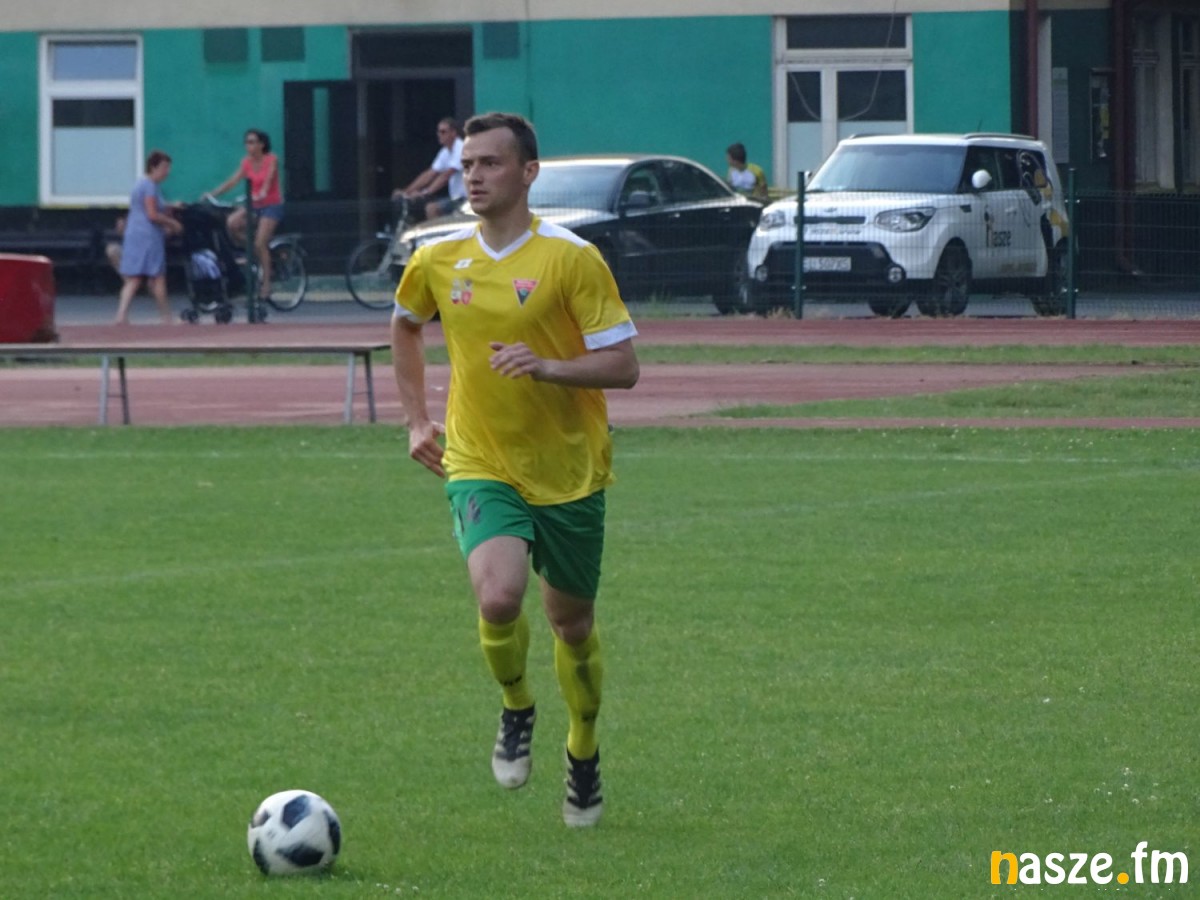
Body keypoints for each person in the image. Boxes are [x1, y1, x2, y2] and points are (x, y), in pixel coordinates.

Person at [390, 112, 639, 828]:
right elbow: (405, 326)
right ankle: (516, 706)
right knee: (498, 598)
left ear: (528, 173)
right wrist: (416, 420)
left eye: (490, 163)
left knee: (571, 624)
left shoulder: (571, 259)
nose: (473, 175)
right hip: (479, 459)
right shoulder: (437, 258)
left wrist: (548, 366)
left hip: (569, 469)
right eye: (468, 164)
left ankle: (583, 746)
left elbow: (624, 366)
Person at [208, 128, 283, 300]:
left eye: (252, 142)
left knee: (260, 242)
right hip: (253, 204)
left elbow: (269, 178)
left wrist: (263, 192)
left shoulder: (271, 159)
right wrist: (213, 194)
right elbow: (232, 181)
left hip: (271, 205)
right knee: (231, 223)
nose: (248, 146)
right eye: (247, 143)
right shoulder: (246, 163)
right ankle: (257, 253)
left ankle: (266, 284)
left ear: (261, 144)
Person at [114, 151, 183, 325]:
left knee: (134, 277)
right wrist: (172, 223)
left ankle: (121, 315)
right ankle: (166, 317)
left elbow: (143, 207)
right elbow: (152, 214)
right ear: (153, 167)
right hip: (148, 235)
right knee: (157, 277)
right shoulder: (151, 186)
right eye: (164, 168)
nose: (167, 172)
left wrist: (169, 206)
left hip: (134, 233)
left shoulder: (140, 184)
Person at [391, 118, 465, 222]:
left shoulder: (460, 147)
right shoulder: (445, 151)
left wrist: (425, 193)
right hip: (455, 199)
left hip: (465, 199)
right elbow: (430, 174)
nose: (439, 135)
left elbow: (446, 176)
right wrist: (406, 192)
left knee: (432, 208)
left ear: (453, 133)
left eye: (443, 132)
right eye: (438, 132)